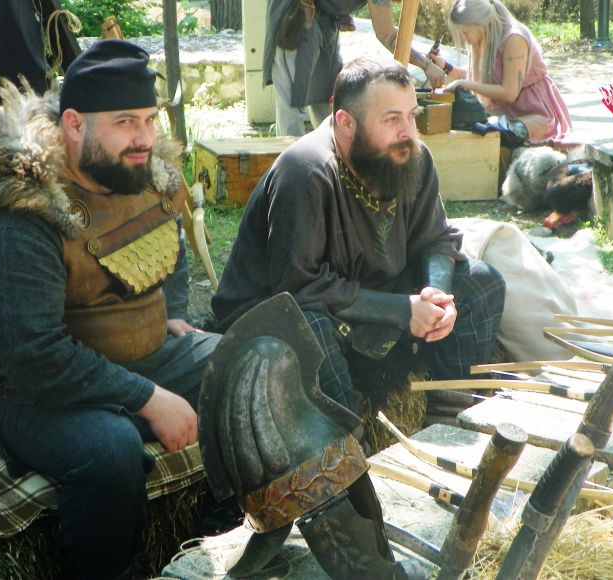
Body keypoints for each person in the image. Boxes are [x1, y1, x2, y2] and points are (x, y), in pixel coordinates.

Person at [0, 40, 220, 579]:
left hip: (143, 357)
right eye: (124, 122)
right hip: (29, 391)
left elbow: (171, 239)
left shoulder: (137, 170)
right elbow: (34, 357)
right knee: (109, 450)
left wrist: (171, 309)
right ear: (73, 125)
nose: (144, 137)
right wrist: (149, 398)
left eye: (149, 119)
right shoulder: (21, 216)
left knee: (247, 364)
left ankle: (222, 533)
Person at [212, 56, 505, 417]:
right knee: (309, 327)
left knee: (481, 281)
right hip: (286, 313)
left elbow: (436, 239)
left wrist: (436, 296)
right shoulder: (304, 171)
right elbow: (298, 288)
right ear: (346, 122)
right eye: (392, 119)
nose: (408, 133)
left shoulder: (412, 157)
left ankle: (450, 418)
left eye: (411, 116)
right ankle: (351, 445)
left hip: (366, 299)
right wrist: (403, 311)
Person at [264, 0, 447, 136]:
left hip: (325, 19)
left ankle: (330, 160)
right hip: (295, 14)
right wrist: (426, 65)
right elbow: (386, 33)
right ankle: (289, 166)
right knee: (292, 99)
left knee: (327, 97)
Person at [437, 0, 572, 144]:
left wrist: (465, 84)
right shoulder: (483, 39)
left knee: (497, 131)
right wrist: (445, 66)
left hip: (537, 114)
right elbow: (484, 79)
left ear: (480, 23)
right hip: (508, 112)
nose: (464, 37)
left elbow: (509, 93)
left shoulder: (514, 38)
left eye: (465, 32)